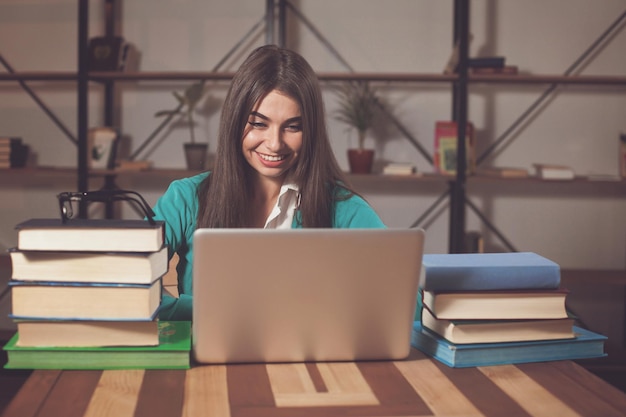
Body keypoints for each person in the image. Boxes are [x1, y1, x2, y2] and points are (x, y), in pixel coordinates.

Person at [152, 44, 385, 321]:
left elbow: (405, 303)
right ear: (235, 122)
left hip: (308, 360)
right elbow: (127, 284)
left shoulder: (345, 209)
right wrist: (202, 311)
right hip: (211, 361)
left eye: (293, 126)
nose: (275, 144)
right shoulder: (186, 198)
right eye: (258, 124)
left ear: (310, 130)